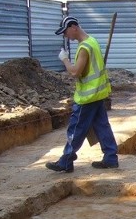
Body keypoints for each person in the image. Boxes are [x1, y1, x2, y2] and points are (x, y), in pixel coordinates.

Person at [45, 16, 119, 173]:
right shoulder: (92, 41)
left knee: (76, 129)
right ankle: (111, 158)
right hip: (98, 94)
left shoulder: (84, 47)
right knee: (102, 127)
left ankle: (65, 161)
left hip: (87, 97)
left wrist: (64, 60)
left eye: (65, 32)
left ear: (74, 27)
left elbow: (75, 72)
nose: (66, 36)